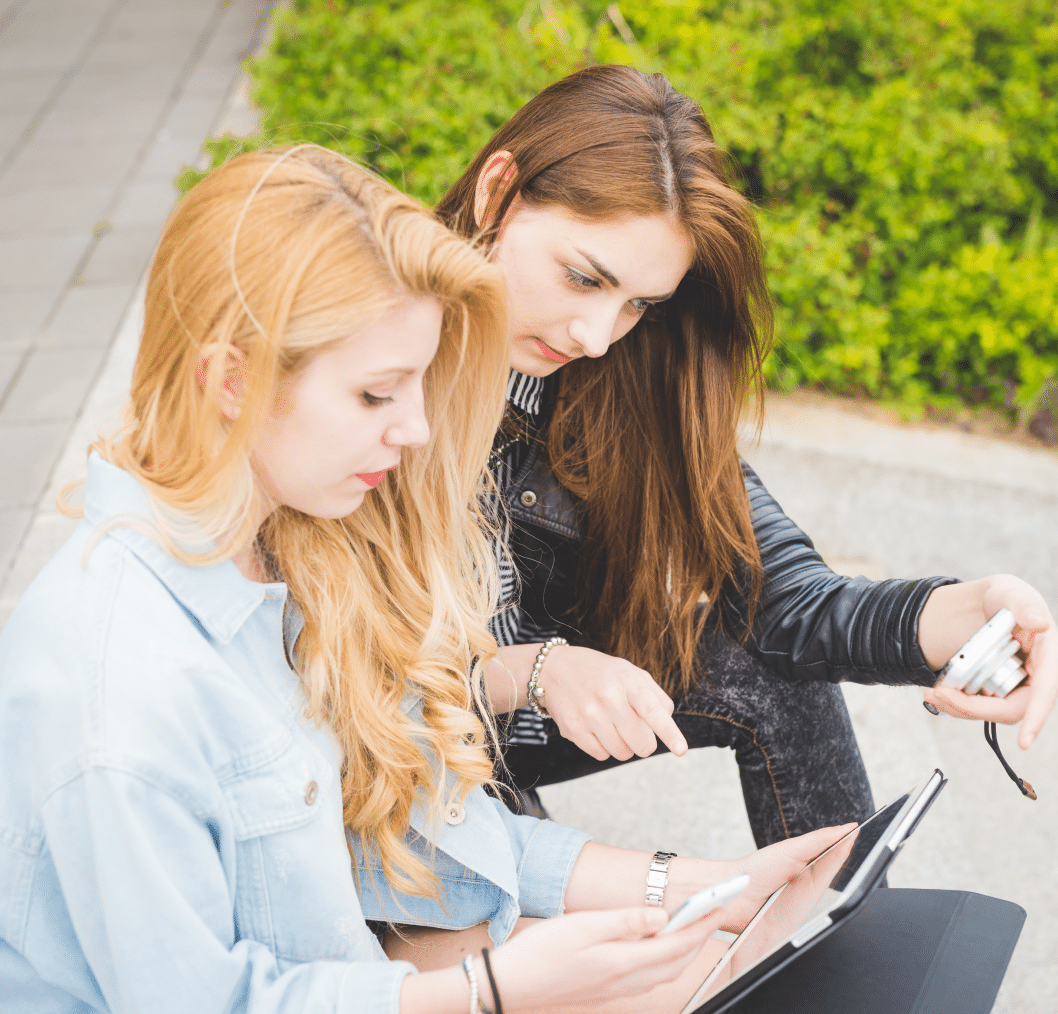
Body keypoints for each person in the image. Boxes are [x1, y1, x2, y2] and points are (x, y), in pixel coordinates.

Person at [0, 145, 847, 1014]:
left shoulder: (291, 562)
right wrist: (493, 991)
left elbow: (433, 840)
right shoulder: (117, 690)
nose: (414, 431)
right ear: (231, 377)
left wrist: (703, 887)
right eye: (377, 395)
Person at [434, 64, 1058, 843]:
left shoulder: (612, 378)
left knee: (774, 673)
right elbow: (306, 675)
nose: (594, 336)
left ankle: (837, 946)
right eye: (583, 276)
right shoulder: (362, 364)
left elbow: (789, 601)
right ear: (498, 191)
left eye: (638, 304)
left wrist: (977, 607)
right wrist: (537, 670)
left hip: (500, 742)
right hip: (375, 759)